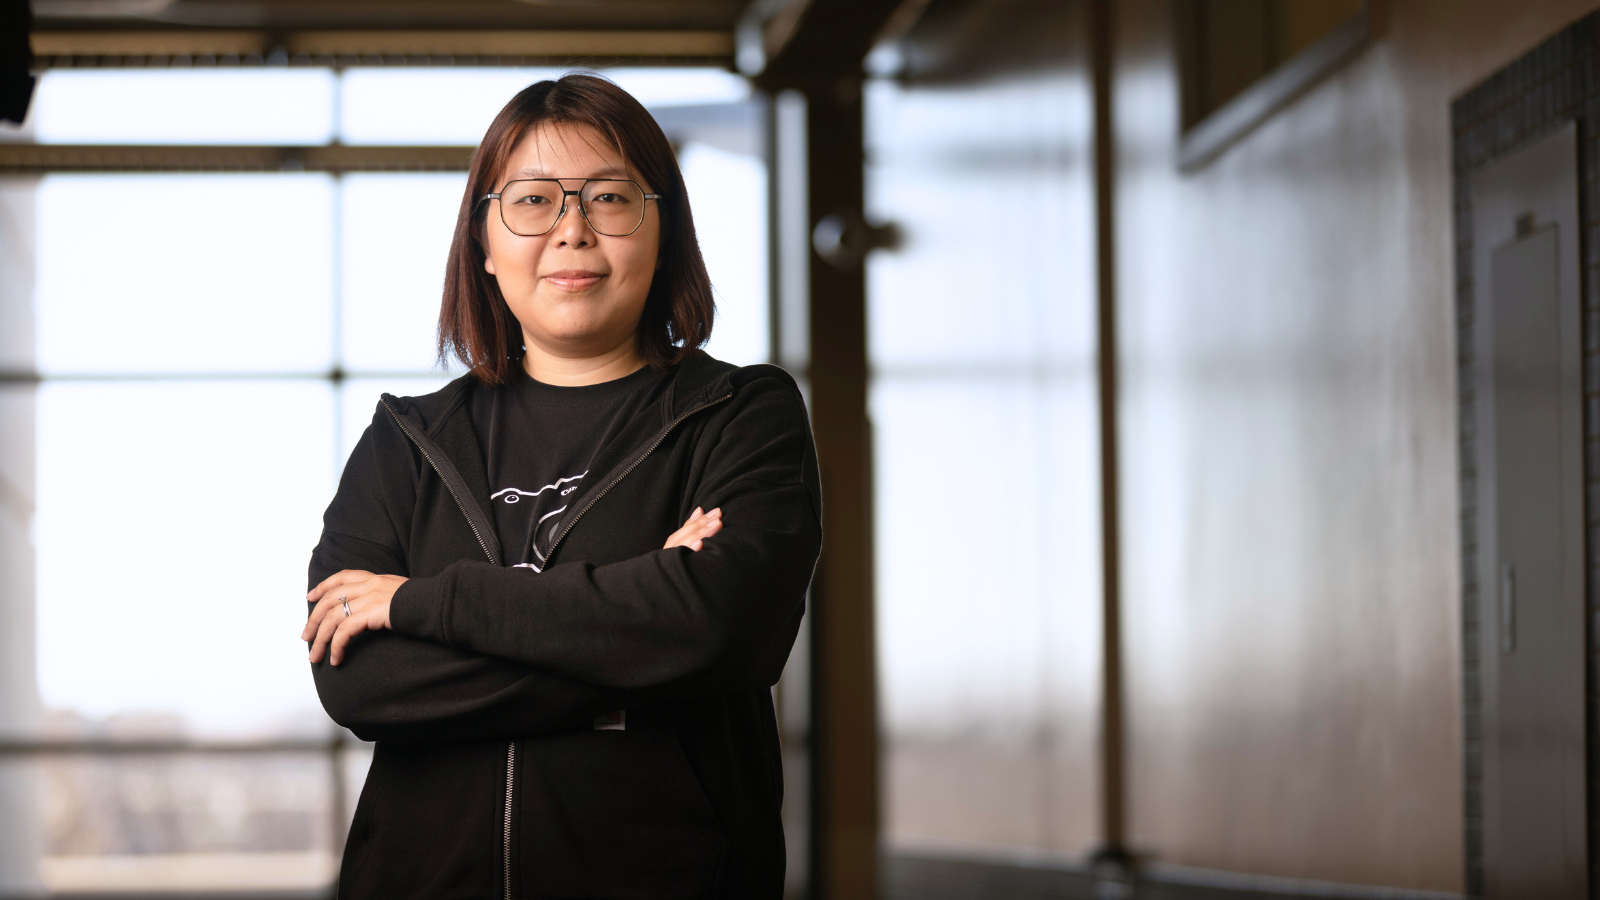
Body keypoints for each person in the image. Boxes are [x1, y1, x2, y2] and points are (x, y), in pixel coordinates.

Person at [299, 73, 821, 899]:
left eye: (609, 198)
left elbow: (723, 630)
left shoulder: (739, 414)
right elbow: (359, 679)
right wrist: (637, 638)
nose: (573, 232)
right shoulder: (408, 440)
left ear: (663, 230)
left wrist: (423, 606)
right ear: (483, 241)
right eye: (534, 201)